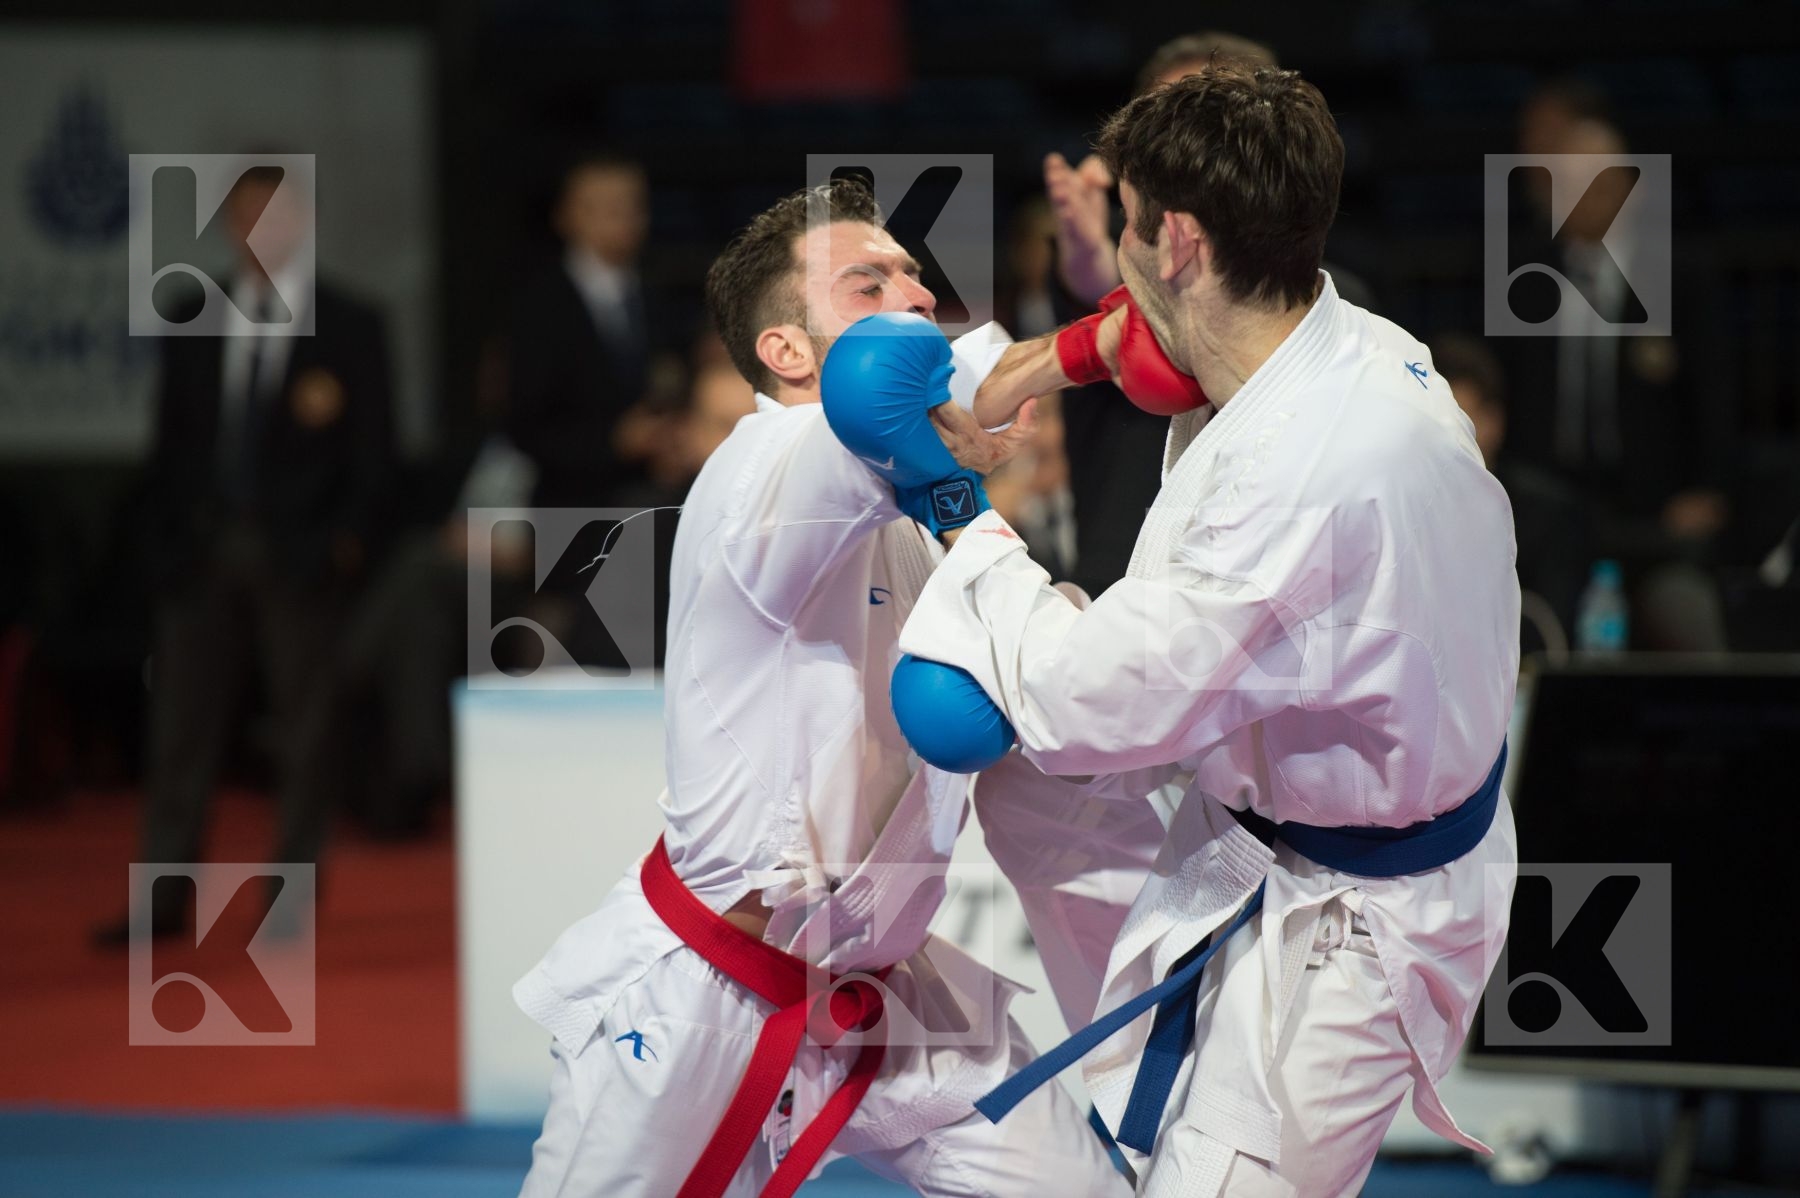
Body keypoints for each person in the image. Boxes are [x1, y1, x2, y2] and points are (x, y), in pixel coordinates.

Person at [891, 63, 1520, 1196]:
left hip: (1356, 916)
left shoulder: (1299, 476)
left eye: (1124, 224)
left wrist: (952, 509)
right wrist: (1023, 366)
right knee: (1032, 789)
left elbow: (1085, 705)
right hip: (1287, 802)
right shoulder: (1342, 333)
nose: (1118, 256)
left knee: (1047, 729)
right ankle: (1171, 1082)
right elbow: (1141, 341)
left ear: (1174, 238)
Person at [512, 179, 1151, 1198]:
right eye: (869, 279)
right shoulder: (762, 469)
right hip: (708, 983)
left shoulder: (930, 507)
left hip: (890, 988)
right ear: (787, 351)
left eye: (913, 272)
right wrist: (1089, 342)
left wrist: (1130, 314)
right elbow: (897, 383)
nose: (912, 292)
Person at [96, 164, 395, 943]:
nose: (261, 232)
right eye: (246, 216)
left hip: (301, 558)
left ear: (300, 221)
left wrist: (344, 543)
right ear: (229, 225)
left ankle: (288, 904)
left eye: (276, 215)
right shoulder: (195, 313)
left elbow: (374, 455)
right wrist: (166, 540)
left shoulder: (351, 322)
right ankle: (161, 903)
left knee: (304, 736)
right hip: (200, 550)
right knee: (179, 735)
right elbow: (170, 446)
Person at [1432, 333, 1590, 654]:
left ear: (1495, 422)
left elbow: (1550, 636)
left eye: (1461, 419)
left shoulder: (1547, 516)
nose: (1445, 437)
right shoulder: (1395, 510)